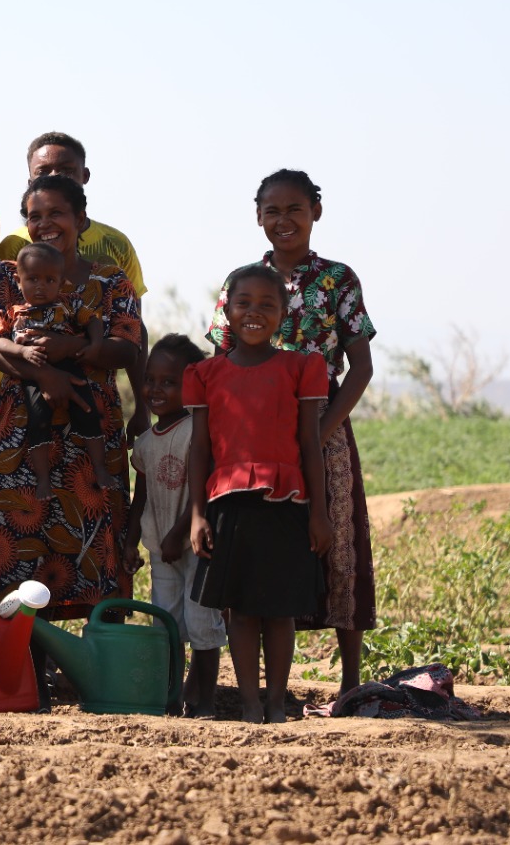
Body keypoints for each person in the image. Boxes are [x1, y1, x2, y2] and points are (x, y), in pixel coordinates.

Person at [207, 168, 377, 695]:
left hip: (324, 431)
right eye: (273, 211)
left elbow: (360, 368)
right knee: (258, 549)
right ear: (258, 217)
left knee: (339, 546)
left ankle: (349, 684)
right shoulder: (241, 283)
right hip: (251, 438)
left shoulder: (338, 279)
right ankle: (263, 691)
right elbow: (221, 361)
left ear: (315, 213)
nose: (284, 221)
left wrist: (323, 431)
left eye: (295, 210)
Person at [0, 174, 141, 620]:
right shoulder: (10, 273)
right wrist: (44, 375)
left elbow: (128, 342)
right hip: (20, 421)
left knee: (93, 531)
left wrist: (74, 349)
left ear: (81, 218)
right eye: (34, 216)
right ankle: (19, 664)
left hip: (89, 418)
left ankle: (97, 666)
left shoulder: (109, 279)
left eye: (56, 213)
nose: (45, 224)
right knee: (9, 532)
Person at [188, 264, 333, 724]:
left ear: (284, 313)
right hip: (228, 503)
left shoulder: (301, 367)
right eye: (243, 303)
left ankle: (276, 700)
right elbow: (199, 450)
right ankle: (250, 702)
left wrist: (320, 513)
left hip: (286, 503)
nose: (254, 312)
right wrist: (197, 514)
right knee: (241, 611)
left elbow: (311, 443)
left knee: (278, 610)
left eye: (267, 304)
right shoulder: (205, 373)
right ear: (226, 311)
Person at [0, 132, 151, 441]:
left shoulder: (114, 253)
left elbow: (132, 334)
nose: (46, 224)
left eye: (65, 170)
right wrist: (41, 374)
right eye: (43, 172)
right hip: (23, 409)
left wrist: (143, 406)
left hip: (94, 410)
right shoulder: (12, 252)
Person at [122, 334, 224, 717]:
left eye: (169, 382)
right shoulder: (146, 442)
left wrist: (179, 533)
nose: (155, 389)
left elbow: (206, 489)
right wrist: (132, 542)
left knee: (202, 622)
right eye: (150, 379)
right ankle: (172, 697)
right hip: (160, 547)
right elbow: (141, 497)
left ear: (192, 385)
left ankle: (206, 700)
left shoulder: (198, 431)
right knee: (167, 624)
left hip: (196, 545)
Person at [0, 241, 113, 501]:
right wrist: (21, 351)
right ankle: (43, 480)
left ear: (60, 283)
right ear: (19, 283)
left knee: (87, 411)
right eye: (32, 279)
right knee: (38, 422)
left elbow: (92, 320)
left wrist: (94, 344)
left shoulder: (68, 304)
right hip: (33, 371)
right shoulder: (11, 312)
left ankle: (100, 467)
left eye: (49, 280)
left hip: (68, 365)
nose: (40, 286)